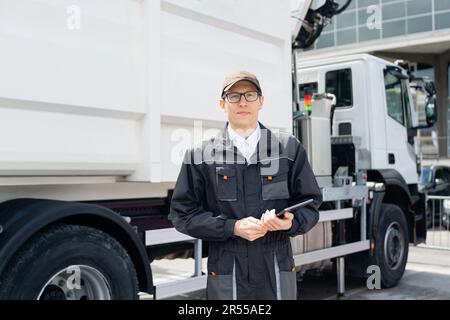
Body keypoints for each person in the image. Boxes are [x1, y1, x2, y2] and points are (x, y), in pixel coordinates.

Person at [169, 71, 322, 300]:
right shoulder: (200, 155)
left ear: (261, 101)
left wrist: (290, 223)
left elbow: (310, 204)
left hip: (275, 266)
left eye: (250, 95)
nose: (242, 102)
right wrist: (233, 227)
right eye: (234, 96)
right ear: (223, 104)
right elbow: (183, 214)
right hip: (228, 269)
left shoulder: (288, 149)